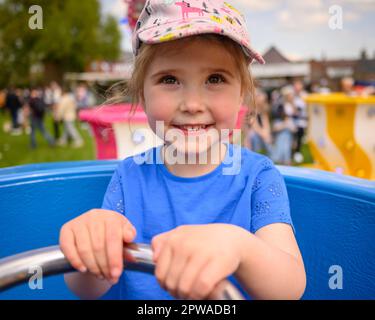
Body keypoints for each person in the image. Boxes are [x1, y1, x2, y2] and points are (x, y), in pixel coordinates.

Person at [59, 0, 306, 300]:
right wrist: (90, 243)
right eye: (170, 80)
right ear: (143, 93)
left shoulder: (258, 176)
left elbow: (289, 289)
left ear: (242, 92)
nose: (192, 104)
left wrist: (239, 246)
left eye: (215, 79)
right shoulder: (129, 176)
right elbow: (87, 290)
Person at [271, 86, 297, 165]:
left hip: (287, 127)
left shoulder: (292, 105)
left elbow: (294, 116)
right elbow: (282, 119)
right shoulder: (280, 105)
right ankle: (285, 159)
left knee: (286, 135)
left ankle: (282, 158)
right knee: (285, 135)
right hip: (283, 127)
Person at [244, 90, 272, 156]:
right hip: (251, 132)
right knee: (254, 136)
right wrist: (263, 134)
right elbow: (254, 125)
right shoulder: (250, 110)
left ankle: (270, 157)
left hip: (260, 132)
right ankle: (255, 155)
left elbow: (266, 123)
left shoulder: (263, 110)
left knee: (268, 138)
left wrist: (267, 133)